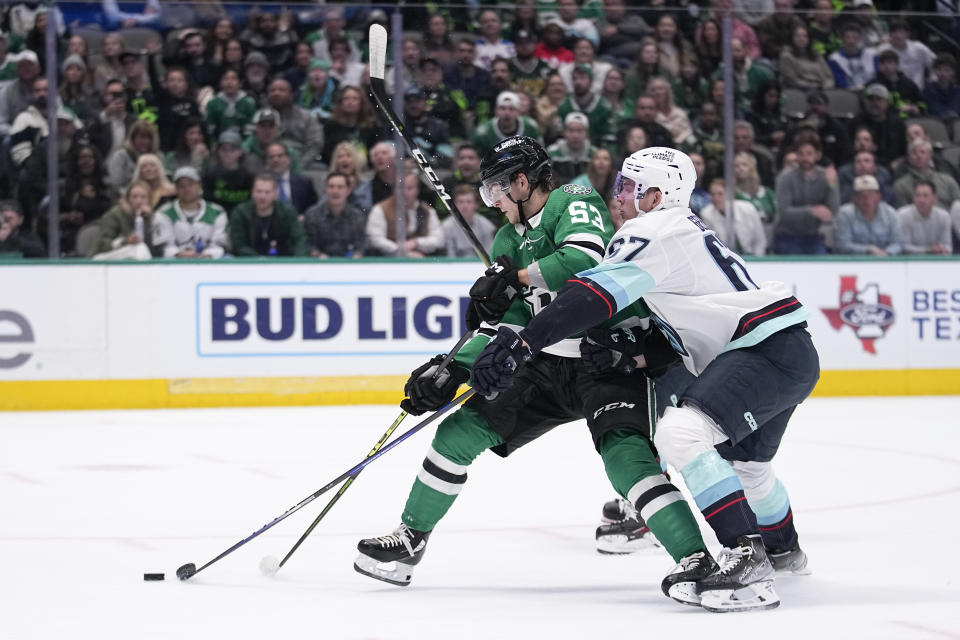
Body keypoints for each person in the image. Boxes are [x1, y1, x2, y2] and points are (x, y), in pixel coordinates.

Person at [355, 137, 713, 603]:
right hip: (544, 362)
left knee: (627, 461)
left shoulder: (574, 200)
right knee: (457, 434)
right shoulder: (507, 238)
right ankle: (410, 541)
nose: (493, 202)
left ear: (523, 183)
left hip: (609, 358)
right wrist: (454, 366)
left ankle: (696, 559)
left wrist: (515, 276)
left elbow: (582, 261)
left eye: (496, 191)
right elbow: (513, 320)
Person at [471, 146, 819, 612]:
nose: (618, 196)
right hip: (783, 348)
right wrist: (631, 355)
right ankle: (783, 550)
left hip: (760, 349)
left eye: (628, 187)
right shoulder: (681, 229)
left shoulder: (649, 230)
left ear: (657, 196)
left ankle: (747, 562)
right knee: (748, 466)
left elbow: (592, 294)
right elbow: (685, 320)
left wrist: (525, 342)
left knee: (681, 432)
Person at [773, 139, 838, 254]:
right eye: (801, 154)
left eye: (809, 154)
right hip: (786, 235)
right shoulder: (786, 177)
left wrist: (833, 185)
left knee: (822, 263)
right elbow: (783, 212)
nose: (805, 158)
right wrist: (811, 211)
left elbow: (833, 211)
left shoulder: (824, 176)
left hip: (813, 236)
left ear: (818, 155)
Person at [152, 166, 230, 259]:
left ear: (199, 186)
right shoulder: (164, 213)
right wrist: (179, 254)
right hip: (175, 263)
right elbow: (163, 246)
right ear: (176, 188)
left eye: (191, 184)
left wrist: (207, 254)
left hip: (209, 261)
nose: (186, 189)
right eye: (181, 185)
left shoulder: (217, 212)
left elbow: (220, 244)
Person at [365, 173, 444, 258]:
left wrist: (416, 243)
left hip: (422, 262)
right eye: (400, 188)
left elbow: (439, 240)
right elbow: (375, 239)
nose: (404, 192)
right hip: (388, 262)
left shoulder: (428, 211)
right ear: (394, 190)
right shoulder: (380, 209)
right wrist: (403, 252)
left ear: (417, 190)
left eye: (409, 188)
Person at [229, 174, 307, 257]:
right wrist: (260, 260)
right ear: (252, 193)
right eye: (259, 191)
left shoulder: (287, 212)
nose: (262, 196)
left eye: (267, 192)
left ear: (275, 195)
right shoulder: (241, 212)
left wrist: (298, 262)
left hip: (283, 262)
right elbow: (239, 245)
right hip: (250, 263)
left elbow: (299, 240)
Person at [834, 175, 902, 256]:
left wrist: (887, 253)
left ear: (878, 196)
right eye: (862, 196)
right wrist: (868, 249)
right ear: (855, 198)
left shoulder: (890, 213)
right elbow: (842, 245)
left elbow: (898, 243)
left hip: (884, 261)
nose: (866, 199)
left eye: (870, 194)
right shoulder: (845, 214)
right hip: (853, 263)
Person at [303, 172, 366, 258]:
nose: (335, 191)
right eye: (331, 187)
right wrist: (317, 255)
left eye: (340, 187)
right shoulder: (312, 215)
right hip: (321, 265)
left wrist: (357, 255)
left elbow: (361, 245)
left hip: (350, 265)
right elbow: (308, 244)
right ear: (326, 189)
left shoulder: (357, 217)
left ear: (348, 190)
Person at [698, 178, 767, 256]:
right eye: (712, 194)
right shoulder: (706, 214)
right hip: (727, 260)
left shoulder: (748, 209)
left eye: (720, 194)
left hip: (753, 258)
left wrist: (756, 261)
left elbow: (760, 241)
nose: (715, 198)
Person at [91, 181, 155, 260]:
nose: (139, 201)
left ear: (149, 199)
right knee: (139, 248)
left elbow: (153, 245)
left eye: (143, 197)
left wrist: (148, 219)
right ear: (128, 199)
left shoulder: (152, 217)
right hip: (102, 256)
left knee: (140, 248)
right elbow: (104, 244)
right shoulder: (115, 215)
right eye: (134, 197)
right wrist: (126, 242)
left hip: (133, 254)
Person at [849, 84, 906, 168]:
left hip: (892, 168)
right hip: (861, 166)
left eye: (879, 99)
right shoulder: (854, 123)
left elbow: (905, 152)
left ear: (887, 102)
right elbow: (848, 150)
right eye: (871, 99)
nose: (874, 103)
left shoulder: (898, 124)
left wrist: (897, 163)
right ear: (865, 101)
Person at [471, 92, 543, 158]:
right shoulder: (484, 132)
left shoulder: (530, 127)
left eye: (511, 109)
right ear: (496, 111)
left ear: (518, 112)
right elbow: (477, 161)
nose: (507, 113)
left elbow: (540, 155)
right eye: (502, 108)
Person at [893, 139, 960, 209]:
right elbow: (903, 213)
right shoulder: (901, 186)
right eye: (914, 153)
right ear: (909, 158)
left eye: (922, 152)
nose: (919, 156)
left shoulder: (948, 181)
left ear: (930, 156)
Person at [203, 130, 253, 214]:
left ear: (240, 152)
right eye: (224, 150)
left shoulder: (249, 177)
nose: (228, 153)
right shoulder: (210, 175)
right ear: (218, 152)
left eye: (232, 150)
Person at [897, 181, 954, 255]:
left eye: (925, 196)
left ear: (935, 198)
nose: (921, 200)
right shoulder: (903, 215)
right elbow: (903, 247)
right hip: (910, 262)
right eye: (917, 195)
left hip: (937, 262)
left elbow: (948, 247)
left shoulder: (944, 216)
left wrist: (942, 249)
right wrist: (929, 250)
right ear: (913, 198)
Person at [442, 184, 498, 257]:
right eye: (461, 202)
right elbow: (449, 255)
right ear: (454, 204)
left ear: (476, 204)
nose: (465, 206)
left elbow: (489, 253)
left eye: (468, 202)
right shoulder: (447, 227)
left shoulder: (486, 225)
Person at [205, 68, 257, 140]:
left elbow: (250, 130)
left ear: (240, 83)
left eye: (233, 78)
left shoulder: (248, 103)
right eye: (225, 78)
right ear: (220, 83)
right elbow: (211, 131)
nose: (229, 82)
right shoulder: (213, 104)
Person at [780, 24, 834, 91]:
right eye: (798, 36)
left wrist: (826, 86)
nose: (801, 39)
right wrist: (815, 87)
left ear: (809, 39)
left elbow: (829, 77)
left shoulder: (816, 55)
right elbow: (792, 81)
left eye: (805, 36)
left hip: (823, 89)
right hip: (801, 91)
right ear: (792, 38)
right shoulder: (786, 56)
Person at [266, 143, 318, 213]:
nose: (275, 160)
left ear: (288, 159)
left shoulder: (304, 183)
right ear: (267, 161)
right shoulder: (261, 183)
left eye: (280, 156)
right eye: (271, 157)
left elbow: (313, 209)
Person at [547, 112, 595, 184]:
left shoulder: (594, 154)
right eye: (571, 130)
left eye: (579, 131)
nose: (575, 135)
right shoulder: (552, 152)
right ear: (564, 132)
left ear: (586, 133)